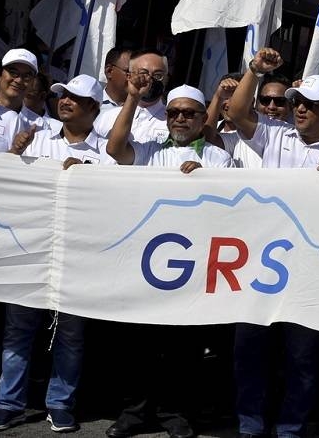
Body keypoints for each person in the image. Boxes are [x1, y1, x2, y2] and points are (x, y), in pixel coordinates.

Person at [221, 48, 319, 438]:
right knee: (249, 350)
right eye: (297, 102)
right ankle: (250, 424)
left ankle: (290, 427)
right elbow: (237, 113)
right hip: (260, 265)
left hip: (310, 270)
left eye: (310, 104)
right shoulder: (275, 135)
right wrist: (255, 71)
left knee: (302, 358)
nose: (300, 109)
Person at [104, 78, 231, 438]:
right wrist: (131, 97)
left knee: (183, 347)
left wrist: (208, 180)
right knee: (140, 345)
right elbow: (115, 149)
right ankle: (134, 412)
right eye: (173, 112)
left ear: (201, 118)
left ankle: (175, 414)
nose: (179, 119)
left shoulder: (217, 157)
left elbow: (230, 203)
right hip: (147, 263)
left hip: (190, 266)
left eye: (188, 114)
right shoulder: (149, 151)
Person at [0, 74, 108, 433]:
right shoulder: (35, 140)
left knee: (69, 336)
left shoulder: (107, 153)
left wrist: (88, 176)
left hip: (75, 258)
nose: (64, 101)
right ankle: (8, 403)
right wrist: (14, 155)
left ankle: (60, 404)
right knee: (17, 331)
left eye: (74, 98)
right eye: (62, 96)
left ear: (93, 108)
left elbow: (113, 199)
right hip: (30, 252)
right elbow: (7, 184)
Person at [94, 48, 170, 144]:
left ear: (166, 79)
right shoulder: (107, 117)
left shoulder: (171, 123)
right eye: (143, 74)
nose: (150, 79)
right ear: (129, 76)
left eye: (158, 75)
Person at [0, 49, 36, 153]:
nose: (19, 80)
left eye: (27, 76)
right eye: (13, 72)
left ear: (33, 82)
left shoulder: (42, 126)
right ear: (0, 75)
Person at [100, 45, 132, 111]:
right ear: (109, 71)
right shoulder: (92, 106)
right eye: (128, 72)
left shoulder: (142, 109)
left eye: (137, 72)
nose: (134, 77)